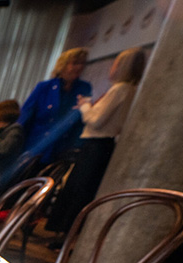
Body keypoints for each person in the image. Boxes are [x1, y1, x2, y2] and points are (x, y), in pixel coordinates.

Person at [46, 47, 146, 233]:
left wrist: (84, 106)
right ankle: (66, 235)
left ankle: (64, 235)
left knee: (79, 192)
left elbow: (95, 120)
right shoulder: (132, 90)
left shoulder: (119, 89)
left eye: (116, 63)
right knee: (83, 191)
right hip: (104, 145)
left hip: (95, 146)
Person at [19, 47, 92, 163]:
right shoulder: (44, 87)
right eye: (75, 63)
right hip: (36, 147)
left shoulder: (84, 88)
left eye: (82, 63)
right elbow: (25, 116)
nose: (79, 67)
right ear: (62, 65)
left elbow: (81, 121)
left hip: (62, 151)